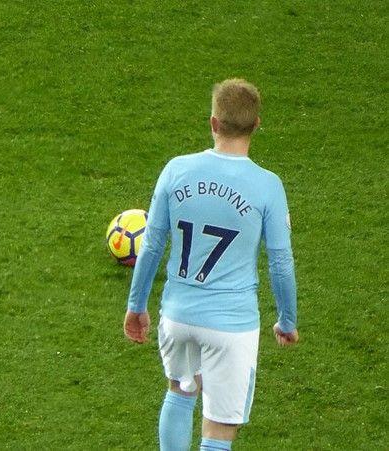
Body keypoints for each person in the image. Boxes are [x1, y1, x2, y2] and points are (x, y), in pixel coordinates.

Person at [123, 79, 299, 451]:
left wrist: (136, 306)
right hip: (230, 326)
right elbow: (280, 263)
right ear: (256, 126)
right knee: (218, 430)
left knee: (180, 390)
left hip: (177, 315)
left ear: (213, 123)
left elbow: (152, 245)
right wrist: (287, 320)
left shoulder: (176, 170)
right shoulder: (267, 186)